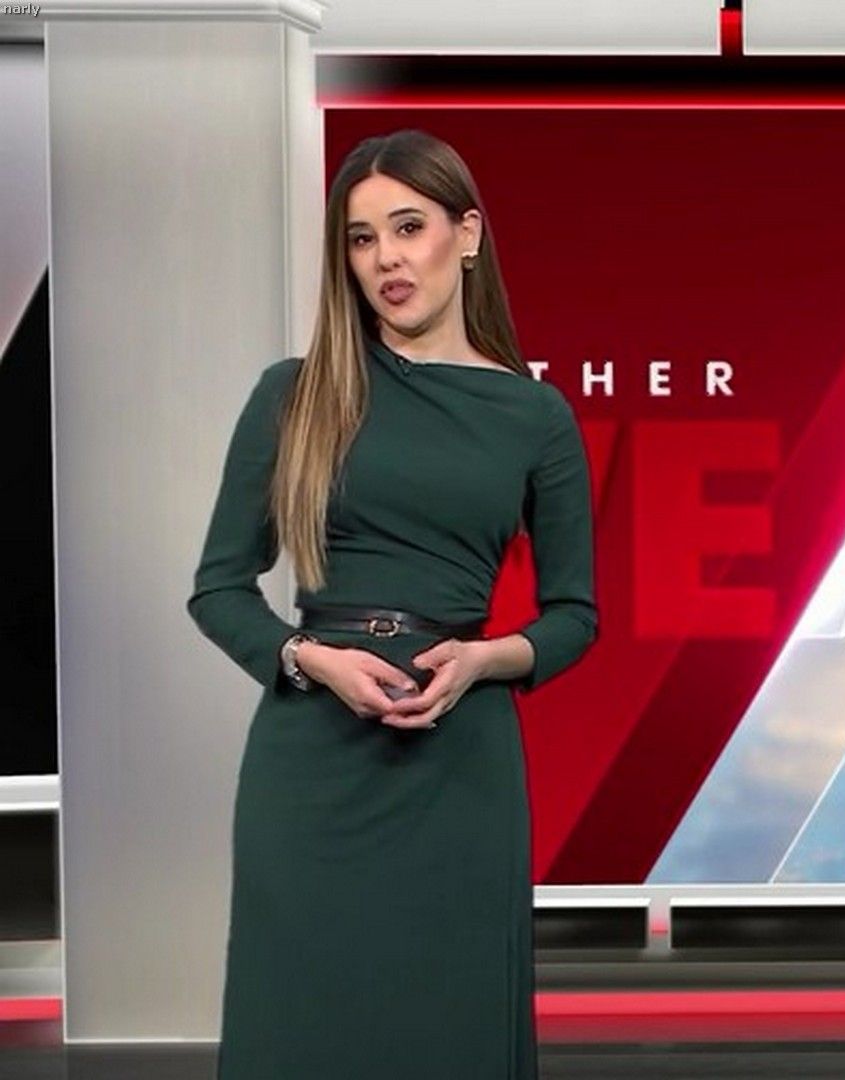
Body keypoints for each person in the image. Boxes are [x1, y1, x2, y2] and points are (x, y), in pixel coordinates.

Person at [186, 128, 597, 1079]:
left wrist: (484, 660)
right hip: (312, 758)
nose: (386, 260)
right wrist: (307, 660)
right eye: (362, 239)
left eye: (409, 228)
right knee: (301, 1028)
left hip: (460, 760)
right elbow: (219, 588)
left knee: (451, 1030)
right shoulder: (294, 394)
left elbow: (574, 616)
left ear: (467, 234)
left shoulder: (533, 416)